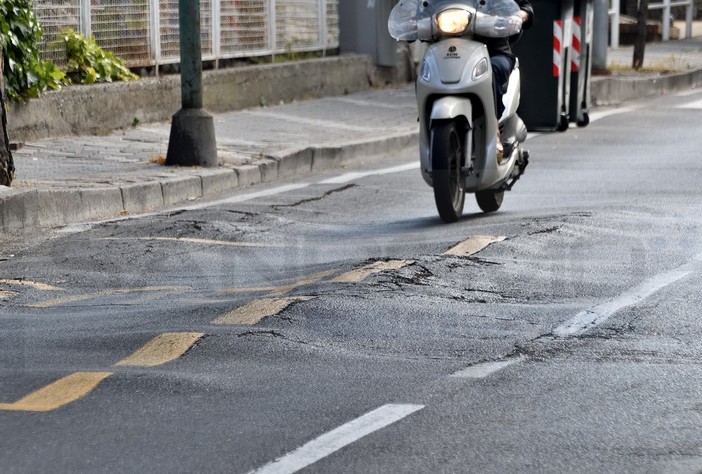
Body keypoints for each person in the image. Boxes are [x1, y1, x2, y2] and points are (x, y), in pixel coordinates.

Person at [476, 0, 534, 161]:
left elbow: (525, 7)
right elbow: (423, 6)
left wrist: (519, 15)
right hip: (450, 50)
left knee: (491, 71)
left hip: (494, 50)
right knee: (428, 69)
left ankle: (494, 134)